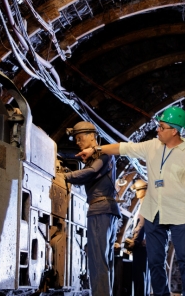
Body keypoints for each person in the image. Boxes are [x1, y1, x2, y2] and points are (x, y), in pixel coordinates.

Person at [76, 106, 185, 296]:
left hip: (179, 213)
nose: (158, 130)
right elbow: (124, 148)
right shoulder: (152, 146)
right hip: (153, 211)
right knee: (155, 261)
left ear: (174, 131)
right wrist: (95, 149)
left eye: (162, 127)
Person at [65, 121, 122, 296]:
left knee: (98, 261)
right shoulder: (101, 157)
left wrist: (64, 175)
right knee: (105, 262)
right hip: (108, 210)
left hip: (100, 209)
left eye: (80, 138)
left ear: (92, 136)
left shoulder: (103, 155)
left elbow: (89, 172)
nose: (77, 142)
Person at [122, 179, 150, 296]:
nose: (137, 193)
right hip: (145, 246)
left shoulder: (145, 205)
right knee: (143, 275)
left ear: (144, 191)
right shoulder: (144, 204)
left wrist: (135, 242)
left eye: (138, 190)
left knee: (139, 276)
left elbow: (141, 224)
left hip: (141, 247)